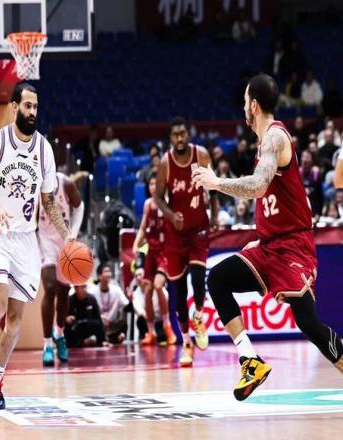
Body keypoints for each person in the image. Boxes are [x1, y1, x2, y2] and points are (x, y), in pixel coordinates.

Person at [192, 74, 343, 402]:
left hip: (293, 247)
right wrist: (261, 238)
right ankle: (251, 361)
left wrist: (216, 183)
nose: (243, 107)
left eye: (245, 101)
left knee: (308, 322)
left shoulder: (275, 138)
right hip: (270, 245)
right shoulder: (265, 143)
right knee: (218, 279)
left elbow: (259, 186)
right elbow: (274, 199)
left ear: (254, 106)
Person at [0, 82, 72, 410]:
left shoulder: (44, 149)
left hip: (27, 240)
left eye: (36, 107)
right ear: (14, 107)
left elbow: (49, 201)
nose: (32, 112)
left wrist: (67, 234)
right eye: (27, 106)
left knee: (15, 319)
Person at [155, 116, 219, 367]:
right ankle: (186, 342)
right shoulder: (165, 164)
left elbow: (213, 187)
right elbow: (158, 198)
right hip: (176, 233)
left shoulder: (200, 155)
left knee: (198, 279)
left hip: (199, 228)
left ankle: (199, 316)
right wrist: (171, 215)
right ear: (170, 138)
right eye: (175, 135)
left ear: (188, 134)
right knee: (179, 292)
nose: (179, 138)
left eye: (182, 133)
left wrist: (215, 214)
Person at [38, 171, 84, 366]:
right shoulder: (34, 185)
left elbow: (79, 206)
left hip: (64, 241)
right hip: (45, 240)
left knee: (64, 293)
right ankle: (47, 344)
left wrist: (73, 233)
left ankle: (59, 333)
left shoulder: (65, 183)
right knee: (49, 288)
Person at [132, 173, 176, 345]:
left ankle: (167, 326)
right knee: (148, 291)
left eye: (155, 184)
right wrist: (136, 244)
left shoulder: (167, 203)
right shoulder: (147, 204)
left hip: (165, 252)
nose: (153, 187)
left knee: (158, 285)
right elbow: (143, 228)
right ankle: (151, 332)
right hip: (151, 252)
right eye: (150, 184)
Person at [91, 263, 129, 344]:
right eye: (106, 271)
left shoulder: (116, 290)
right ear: (99, 276)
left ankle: (115, 337)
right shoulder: (92, 292)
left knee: (123, 324)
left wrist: (130, 299)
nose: (109, 274)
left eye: (109, 272)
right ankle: (105, 338)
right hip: (99, 324)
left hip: (113, 324)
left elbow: (127, 306)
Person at [127, 267, 168, 343]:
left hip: (162, 320)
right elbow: (140, 311)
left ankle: (165, 331)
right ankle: (149, 335)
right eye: (136, 276)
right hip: (149, 322)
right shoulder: (135, 294)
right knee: (140, 320)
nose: (138, 277)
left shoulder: (158, 287)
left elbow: (167, 301)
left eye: (140, 274)